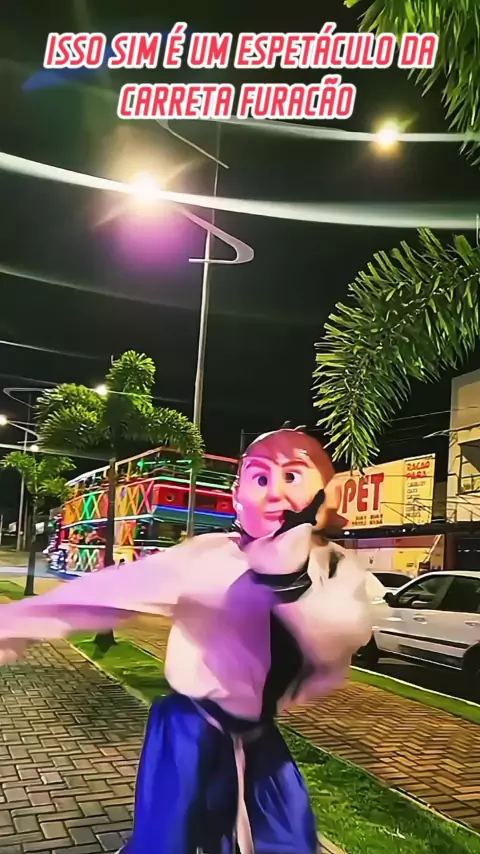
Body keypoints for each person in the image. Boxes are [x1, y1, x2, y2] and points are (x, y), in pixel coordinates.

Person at [0, 428, 372, 854]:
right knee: (167, 839)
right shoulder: (207, 558)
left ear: (326, 495)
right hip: (189, 729)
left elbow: (341, 635)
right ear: (237, 496)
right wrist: (16, 622)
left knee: (287, 839)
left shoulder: (335, 570)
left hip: (256, 736)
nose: (274, 493)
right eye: (260, 478)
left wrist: (286, 576)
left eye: (291, 477)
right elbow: (109, 591)